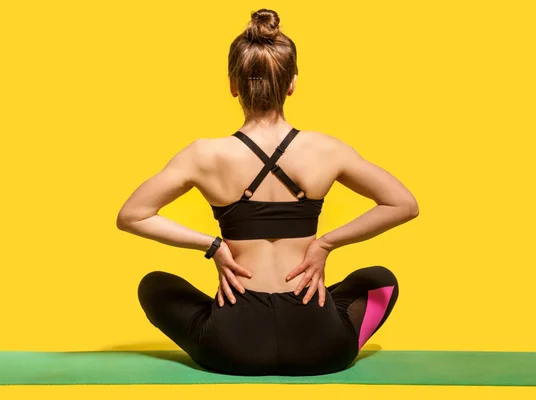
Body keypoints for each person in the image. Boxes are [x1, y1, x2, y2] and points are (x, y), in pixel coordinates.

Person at [116, 8, 419, 376]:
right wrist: (325, 244)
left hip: (230, 349)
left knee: (154, 287)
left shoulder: (203, 155)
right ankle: (334, 335)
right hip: (321, 348)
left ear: (233, 84)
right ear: (291, 83)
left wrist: (212, 246)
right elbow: (403, 203)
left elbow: (132, 215)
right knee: (380, 280)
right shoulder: (327, 150)